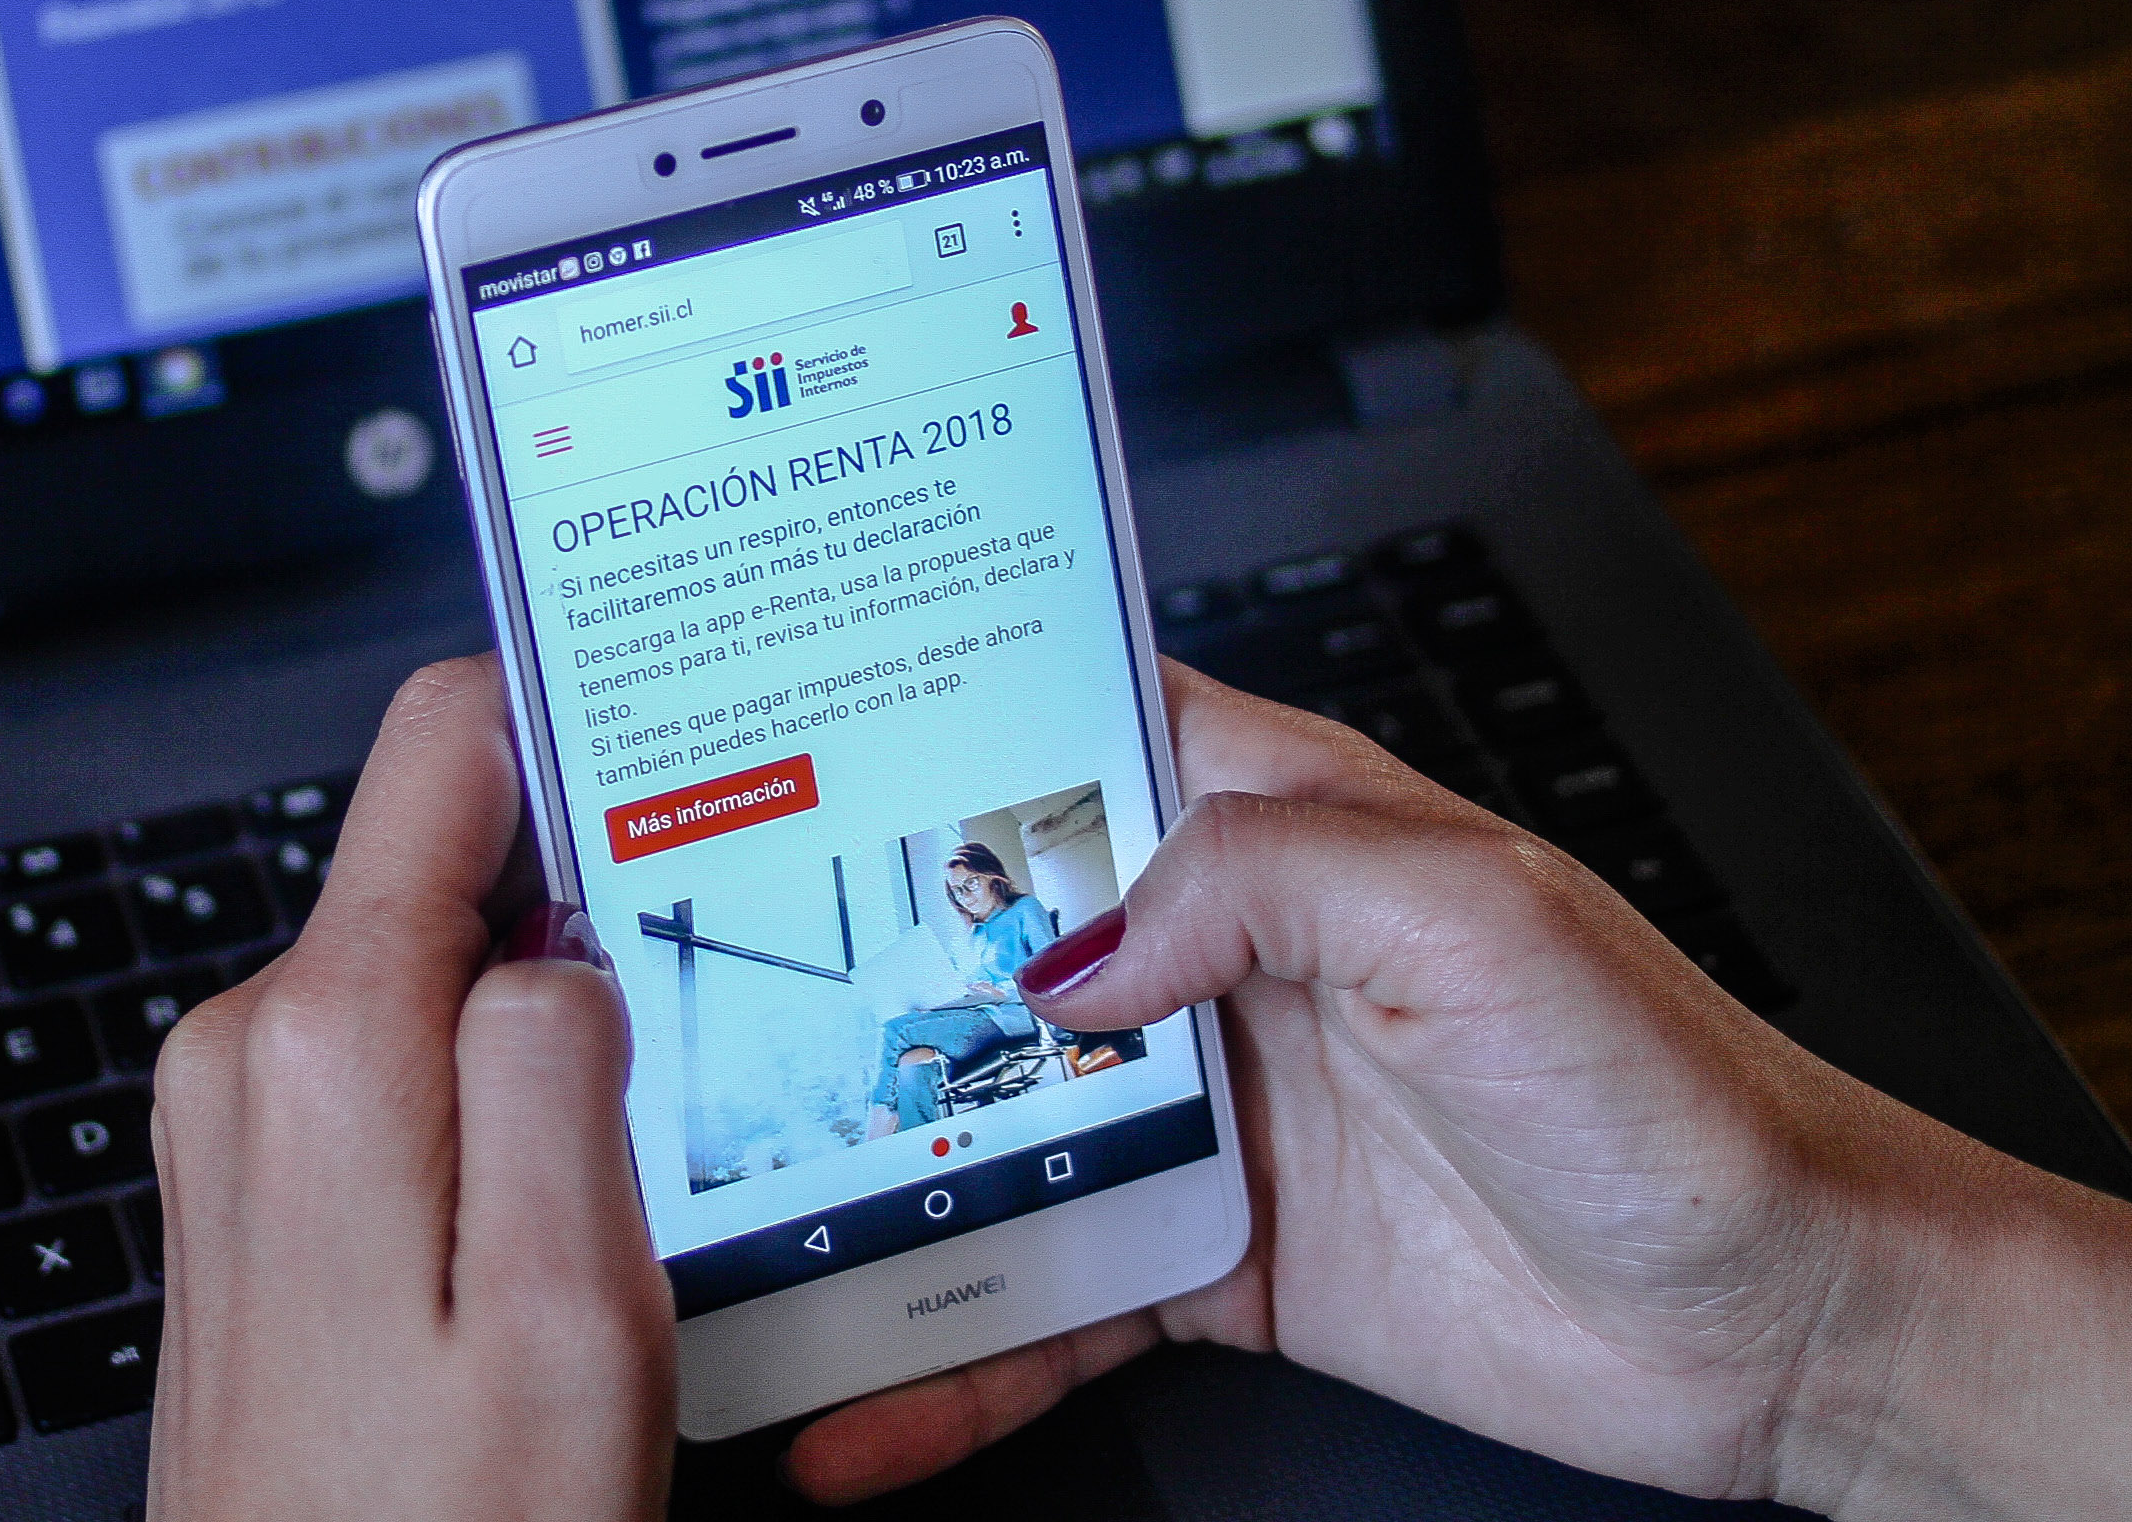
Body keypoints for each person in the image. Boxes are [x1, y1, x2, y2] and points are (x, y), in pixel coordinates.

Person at [146, 655, 2132, 1520]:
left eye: (978, 875)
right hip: (995, 1061)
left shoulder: (1025, 917)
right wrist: (1848, 1338)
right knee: (906, 1057)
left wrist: (1836, 1324)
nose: (972, 888)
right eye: (965, 881)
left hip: (1077, 1065)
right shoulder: (949, 944)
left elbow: (1038, 973)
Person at [861, 840, 1059, 1138]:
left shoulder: (1024, 910)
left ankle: (877, 1131)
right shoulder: (968, 937)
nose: (965, 895)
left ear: (993, 877)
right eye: (957, 890)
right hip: (974, 1021)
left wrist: (1003, 991)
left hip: (1011, 1018)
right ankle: (918, 1140)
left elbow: (1052, 971)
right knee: (912, 1060)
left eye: (972, 883)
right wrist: (936, 1004)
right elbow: (960, 989)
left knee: (895, 1030)